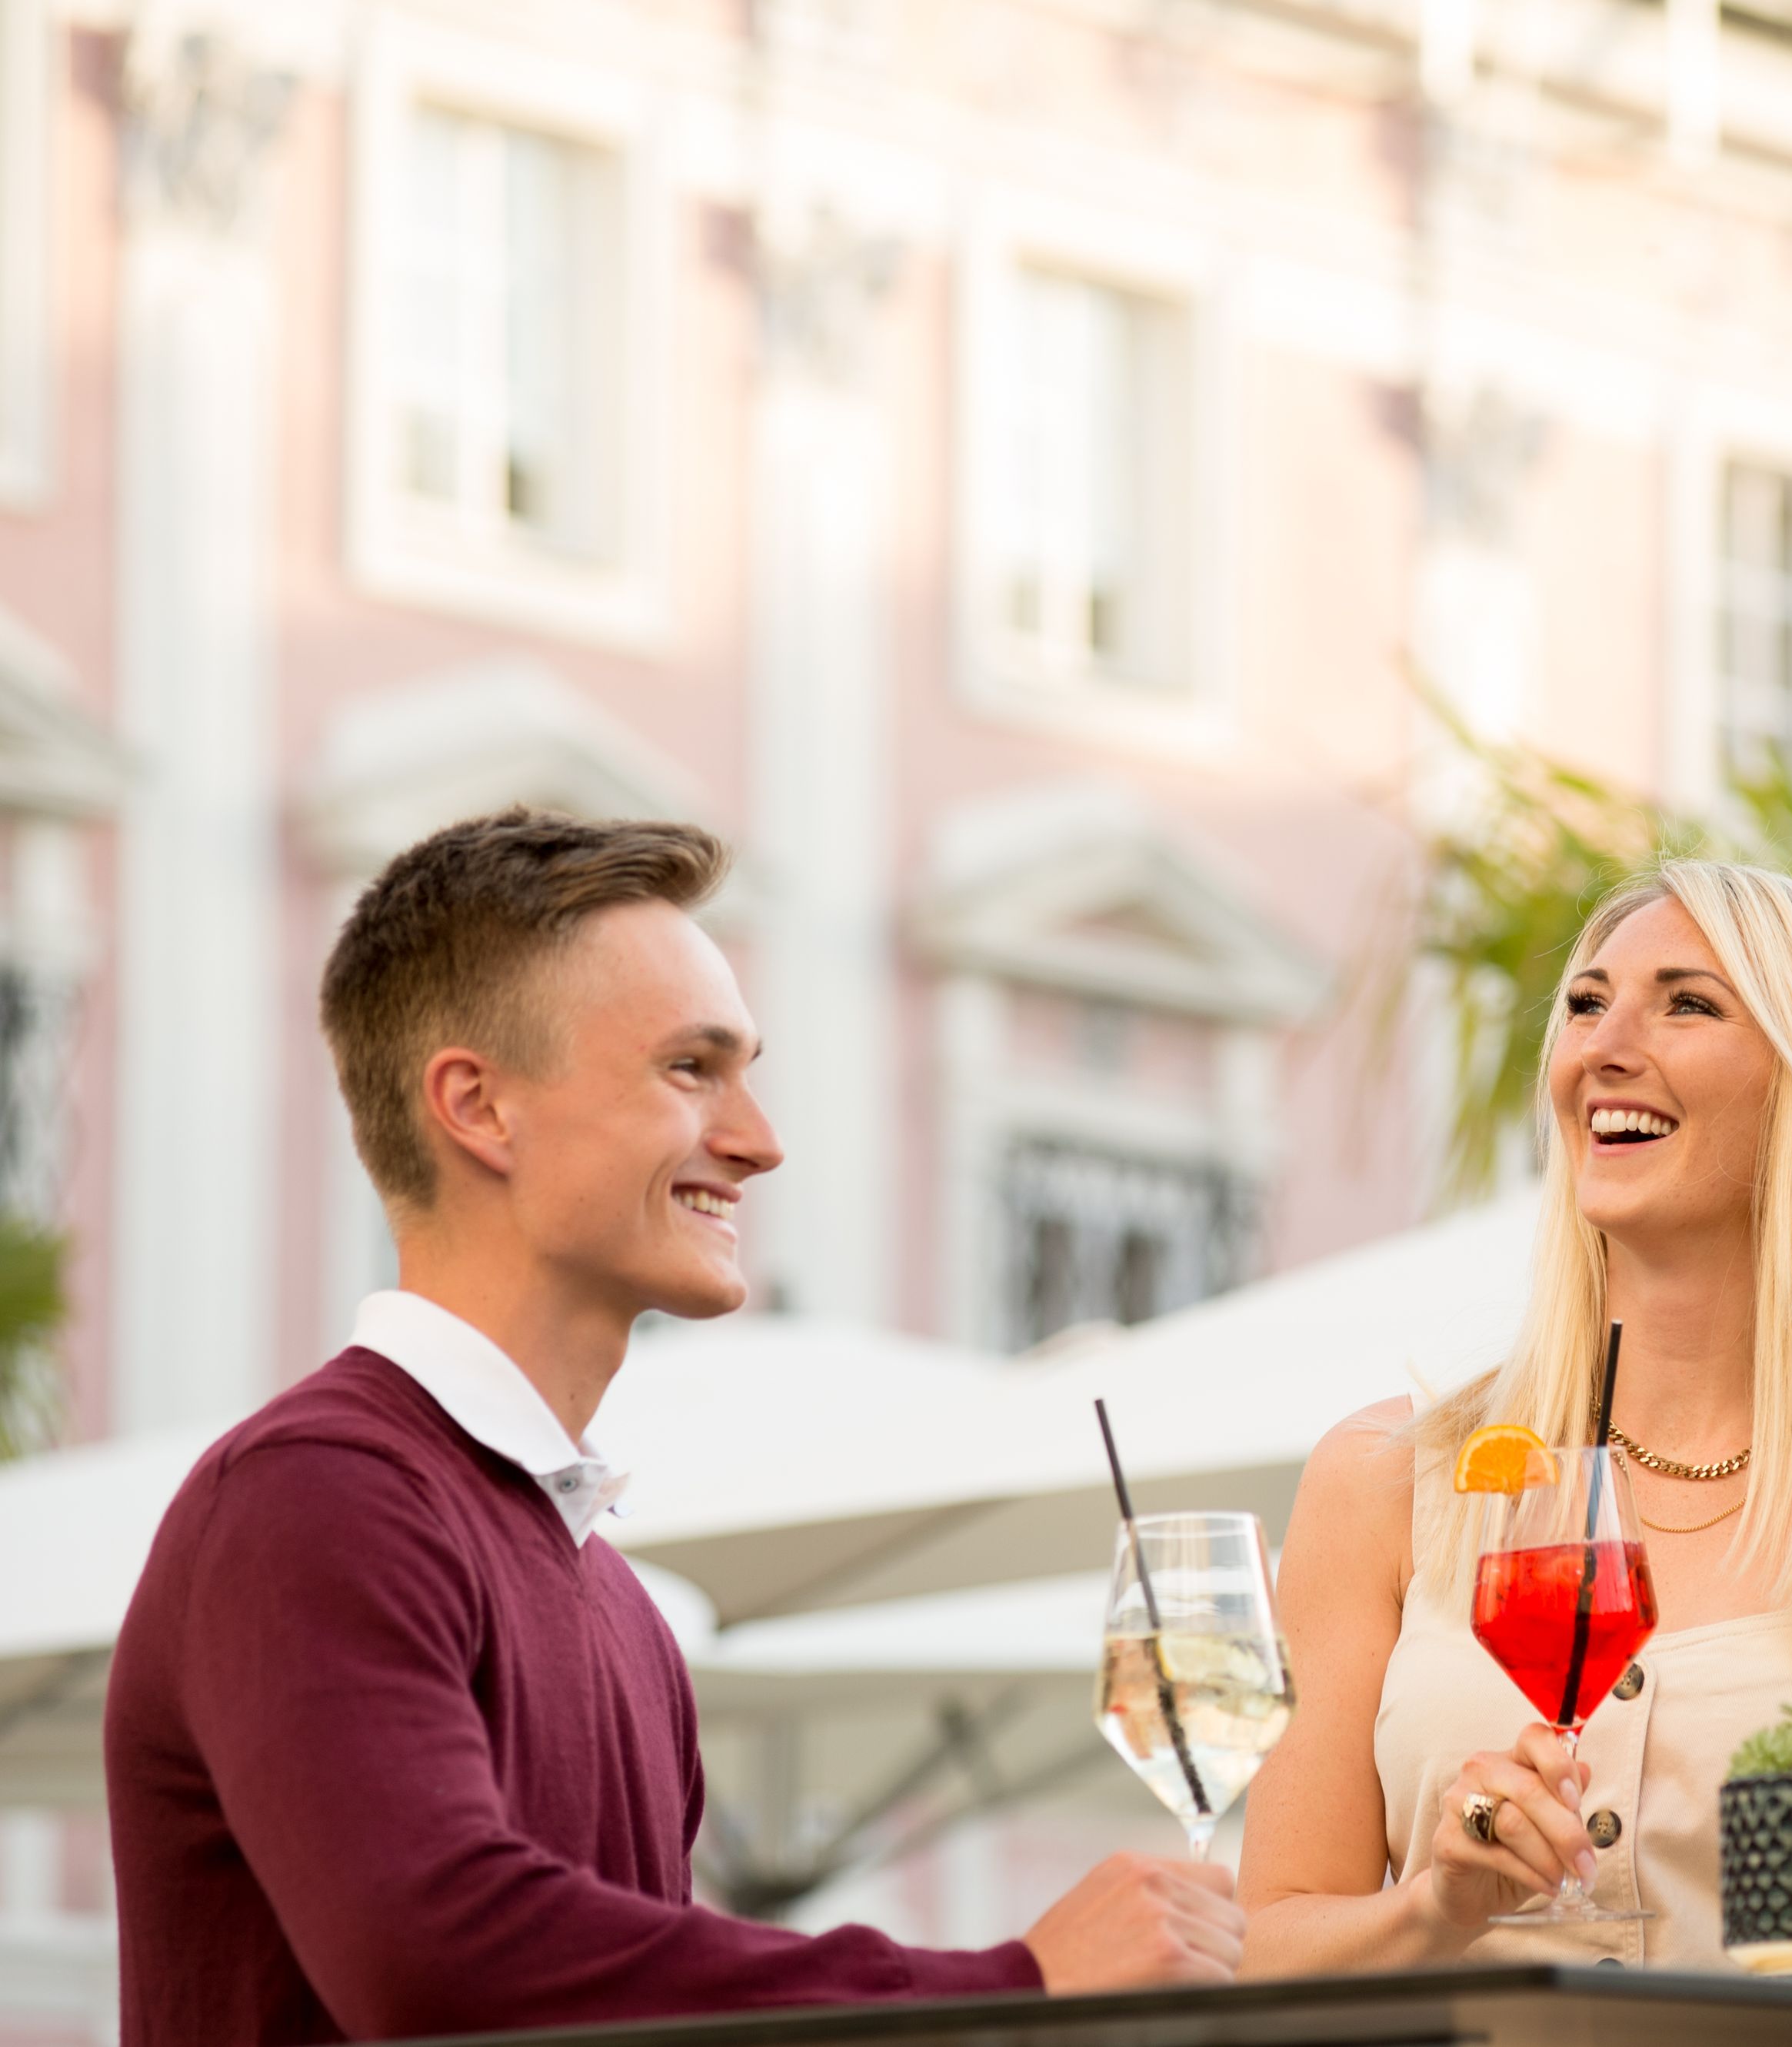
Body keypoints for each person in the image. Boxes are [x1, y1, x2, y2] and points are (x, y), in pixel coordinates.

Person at [105, 810, 1247, 2045]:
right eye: (692, 1069)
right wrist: (1018, 1977)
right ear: (479, 1106)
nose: (760, 1142)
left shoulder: (622, 1608)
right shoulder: (316, 1496)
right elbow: (438, 1960)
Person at [1241, 860, 1792, 1976]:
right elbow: (1264, 1951)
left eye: (1688, 1004)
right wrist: (1436, 1906)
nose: (1601, 1048)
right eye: (1586, 1003)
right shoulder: (1388, 1481)